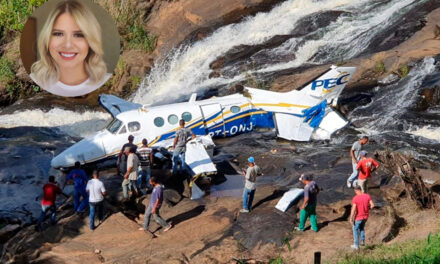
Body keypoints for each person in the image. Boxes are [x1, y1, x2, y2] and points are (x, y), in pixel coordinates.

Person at [30, 0, 110, 97]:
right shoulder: (36, 79)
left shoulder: (106, 80)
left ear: (91, 41)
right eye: (58, 34)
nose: (68, 45)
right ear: (47, 39)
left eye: (78, 35)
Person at [350, 185, 375, 250]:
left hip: (358, 217)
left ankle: (356, 245)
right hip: (366, 216)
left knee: (355, 229)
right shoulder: (367, 196)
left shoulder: (355, 198)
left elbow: (353, 209)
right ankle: (362, 241)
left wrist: (351, 218)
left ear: (356, 191)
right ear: (361, 189)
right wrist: (367, 208)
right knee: (362, 228)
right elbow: (372, 205)